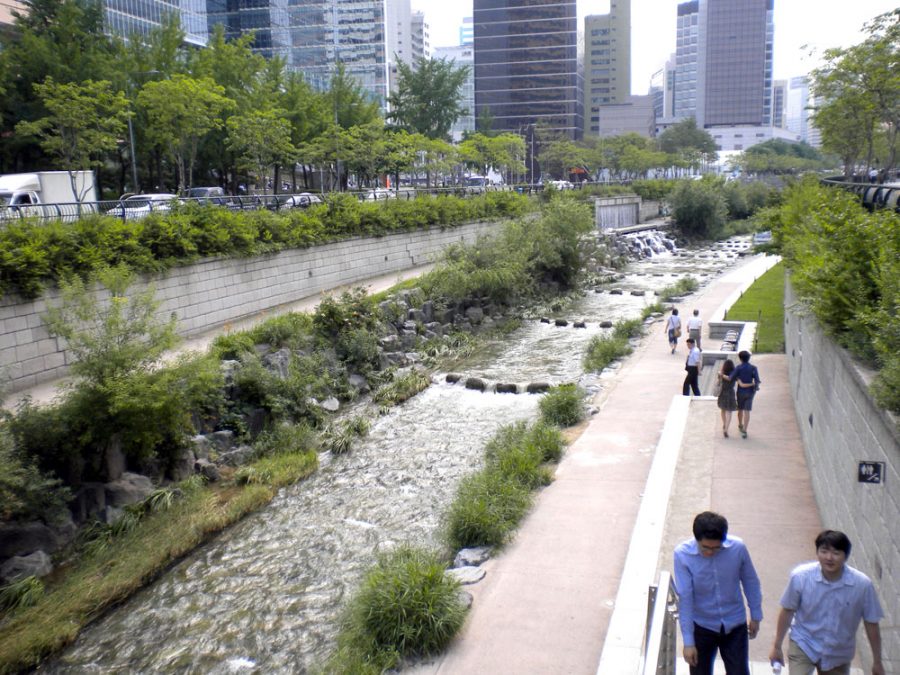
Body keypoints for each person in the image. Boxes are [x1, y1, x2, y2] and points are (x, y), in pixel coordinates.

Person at [769, 530, 884, 675]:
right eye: (824, 551)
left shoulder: (862, 585)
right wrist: (776, 646)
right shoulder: (800, 577)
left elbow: (871, 622)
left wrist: (877, 661)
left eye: (836, 553)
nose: (829, 558)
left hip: (838, 652)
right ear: (817, 552)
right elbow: (787, 610)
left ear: (846, 556)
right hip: (804, 643)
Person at [674, 512, 763, 675]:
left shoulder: (738, 548)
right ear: (697, 540)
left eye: (716, 548)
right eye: (705, 547)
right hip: (701, 626)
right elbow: (685, 597)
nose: (710, 552)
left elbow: (750, 581)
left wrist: (756, 615)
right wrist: (688, 641)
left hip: (734, 624)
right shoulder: (682, 555)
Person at [732, 351, 760, 439]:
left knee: (740, 409)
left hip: (740, 392)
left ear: (740, 358)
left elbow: (732, 377)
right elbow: (757, 381)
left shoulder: (738, 368)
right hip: (750, 392)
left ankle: (740, 424)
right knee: (747, 411)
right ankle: (744, 430)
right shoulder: (753, 368)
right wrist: (755, 387)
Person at [716, 359, 738, 437]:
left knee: (723, 410)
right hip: (730, 393)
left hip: (723, 392)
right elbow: (731, 378)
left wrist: (720, 375)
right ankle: (726, 429)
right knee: (729, 412)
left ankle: (724, 424)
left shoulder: (721, 373)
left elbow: (718, 383)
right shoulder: (734, 373)